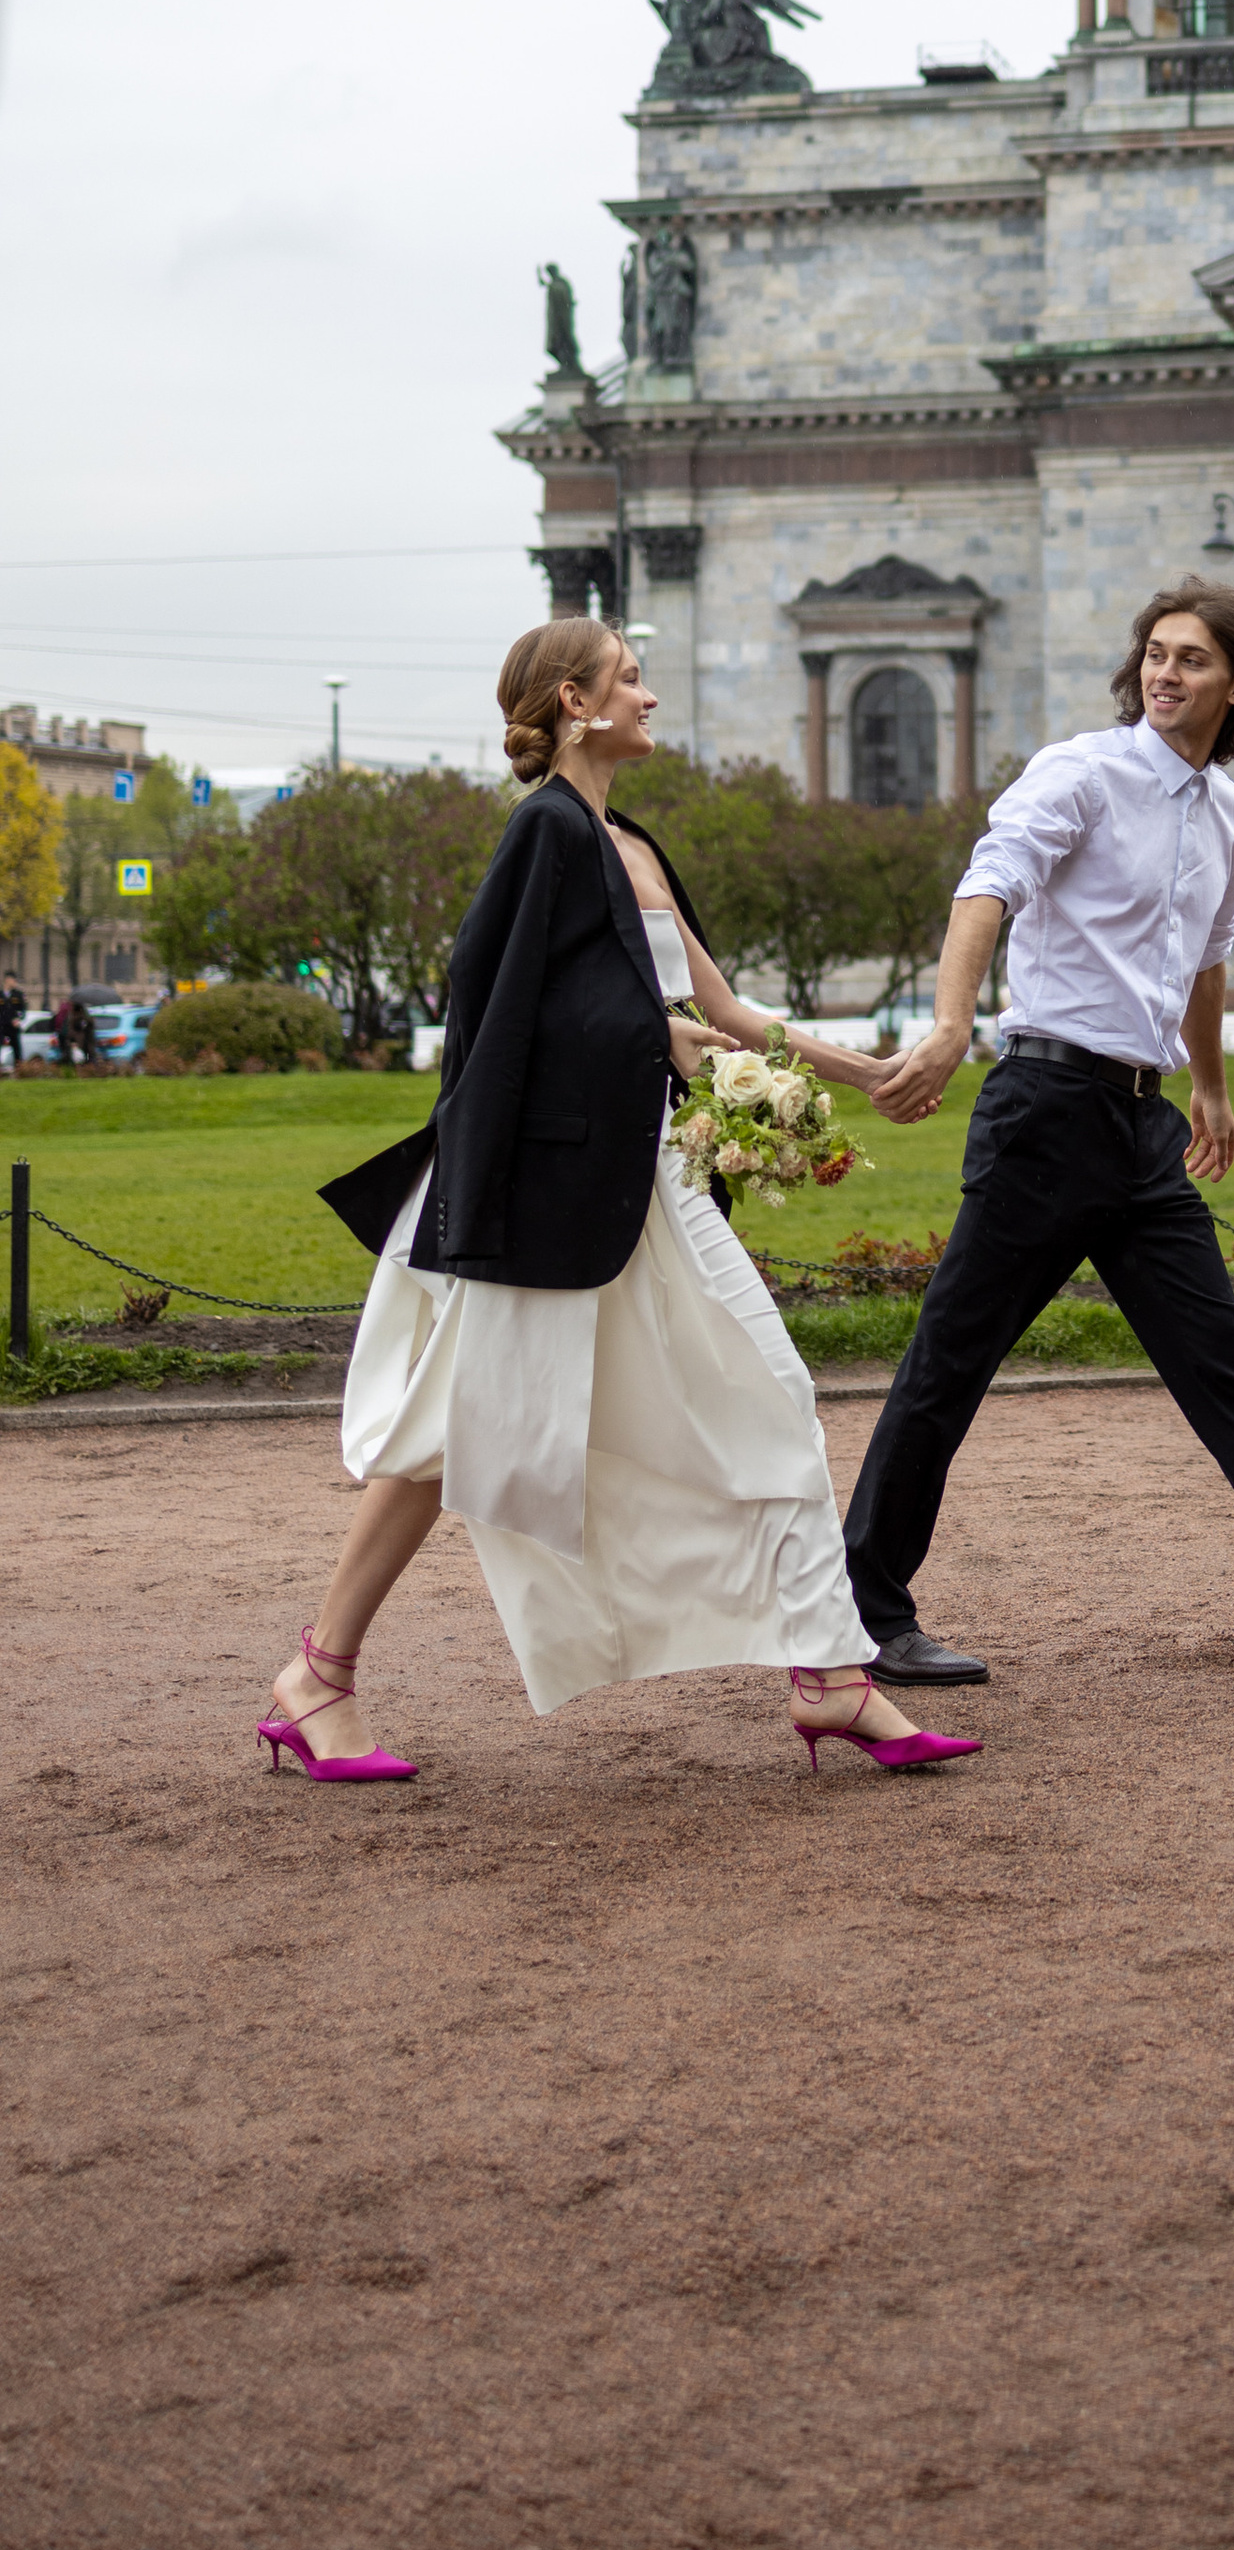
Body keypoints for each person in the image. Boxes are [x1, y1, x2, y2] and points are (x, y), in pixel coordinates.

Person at [262, 616, 980, 1786]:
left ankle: (830, 1676)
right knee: (454, 1438)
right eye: (629, 682)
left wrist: (877, 1073)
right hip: (561, 1192)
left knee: (770, 1397)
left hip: (648, 1181)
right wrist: (647, 1038)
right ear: (572, 704)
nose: (649, 698)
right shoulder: (546, 832)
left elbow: (730, 1012)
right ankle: (316, 1680)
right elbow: (490, 1011)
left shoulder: (623, 839)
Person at [842, 576, 1234, 1683]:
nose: (1165, 672)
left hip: (1140, 1128)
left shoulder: (1227, 814)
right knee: (950, 1366)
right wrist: (952, 1023)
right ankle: (861, 1615)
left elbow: (1203, 959)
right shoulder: (1081, 771)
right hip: (1044, 1108)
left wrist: (1213, 1090)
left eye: (1191, 658)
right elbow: (986, 885)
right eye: (1155, 652)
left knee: (1222, 1363)